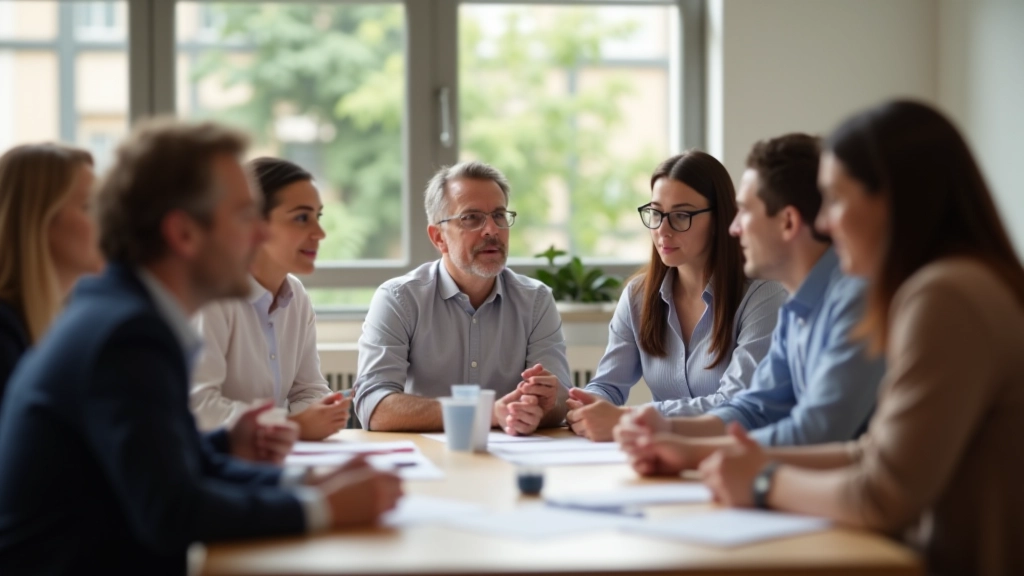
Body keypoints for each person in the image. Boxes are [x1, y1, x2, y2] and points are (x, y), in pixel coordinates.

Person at [0, 120, 401, 574]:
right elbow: (173, 511)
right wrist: (322, 507)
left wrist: (302, 475)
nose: (258, 237)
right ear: (184, 234)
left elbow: (175, 464)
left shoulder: (122, 311)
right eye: (243, 216)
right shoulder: (127, 335)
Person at [691, 100, 1024, 576]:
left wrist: (764, 481)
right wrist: (736, 457)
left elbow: (882, 491)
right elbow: (872, 453)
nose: (823, 222)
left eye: (836, 199)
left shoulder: (947, 296)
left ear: (892, 199)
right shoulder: (956, 284)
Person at [616, 133, 885, 461]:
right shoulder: (797, 306)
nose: (734, 228)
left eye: (744, 211)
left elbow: (817, 431)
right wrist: (666, 432)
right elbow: (754, 408)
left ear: (787, 222)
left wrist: (691, 451)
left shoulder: (857, 303)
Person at [564, 152, 786, 442]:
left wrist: (630, 418)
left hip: (732, 455)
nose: (662, 230)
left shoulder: (763, 296)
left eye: (681, 215)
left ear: (721, 219)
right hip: (661, 457)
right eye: (656, 213)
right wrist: (583, 404)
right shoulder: (637, 296)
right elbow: (608, 386)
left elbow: (736, 403)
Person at [354, 161, 571, 434]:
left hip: (510, 458)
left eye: (499, 215)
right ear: (438, 237)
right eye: (471, 218)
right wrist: (485, 413)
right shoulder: (399, 299)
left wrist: (543, 404)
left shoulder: (536, 300)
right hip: (427, 460)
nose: (492, 229)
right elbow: (375, 408)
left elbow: (562, 401)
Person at [191, 157, 349, 440]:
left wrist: (323, 411)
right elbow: (199, 407)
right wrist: (292, 426)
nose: (320, 233)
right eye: (302, 218)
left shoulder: (296, 295)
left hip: (272, 456)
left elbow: (309, 388)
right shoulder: (213, 297)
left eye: (318, 216)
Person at [0, 143, 103, 404]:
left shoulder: (67, 319)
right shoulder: (5, 334)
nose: (108, 219)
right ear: (39, 221)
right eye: (90, 207)